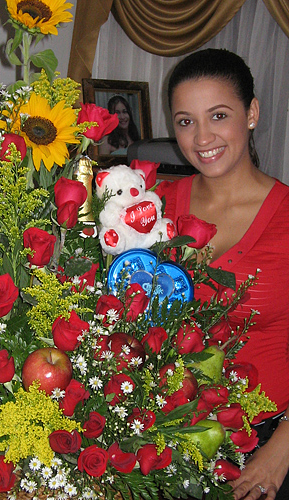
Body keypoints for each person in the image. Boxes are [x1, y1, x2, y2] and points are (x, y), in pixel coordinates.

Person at [157, 48, 289, 500]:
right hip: (161, 436)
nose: (201, 137)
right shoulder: (147, 206)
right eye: (186, 121)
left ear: (251, 113)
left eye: (218, 115)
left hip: (267, 443)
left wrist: (281, 451)